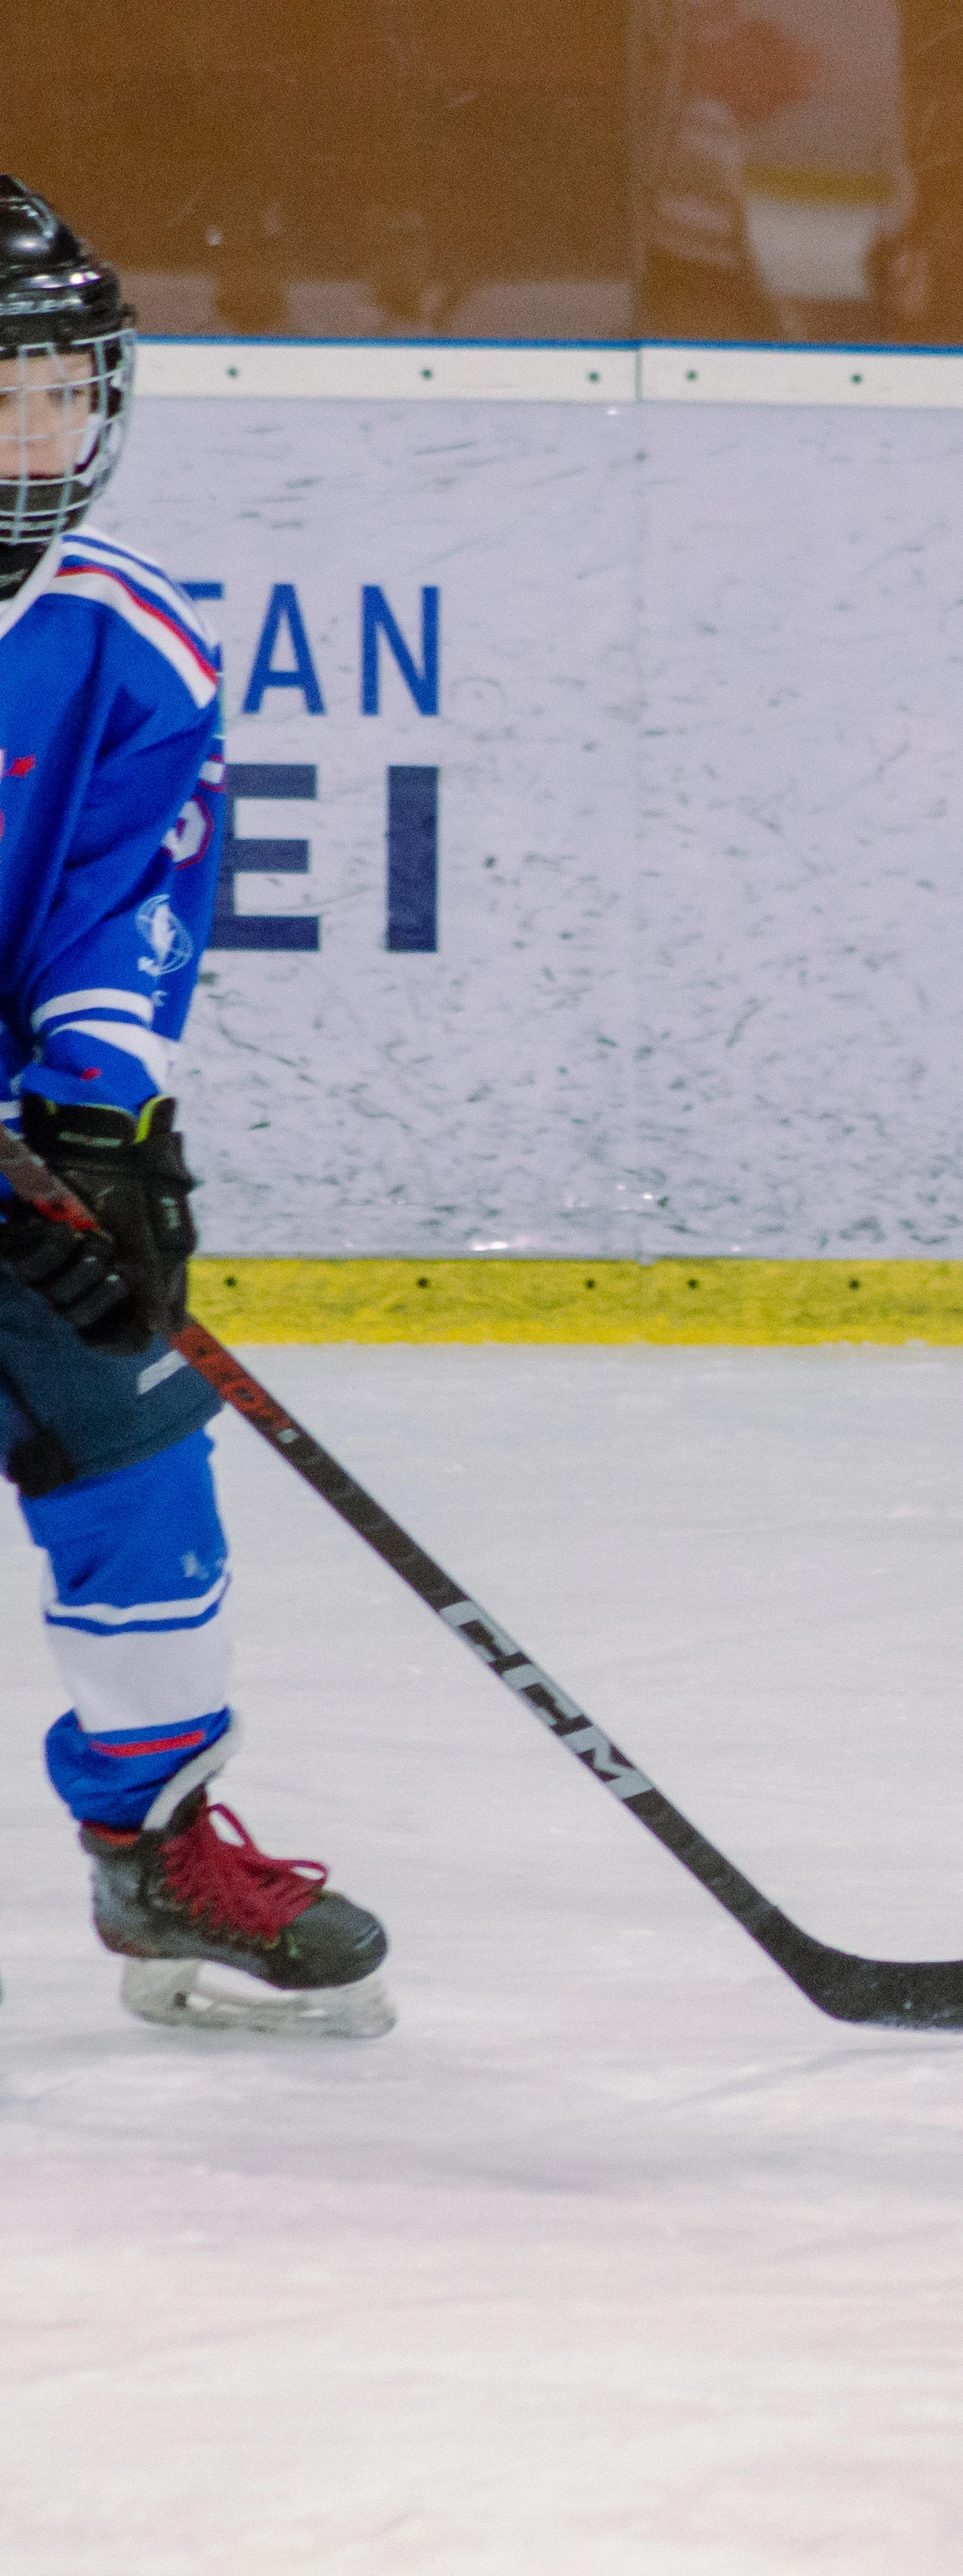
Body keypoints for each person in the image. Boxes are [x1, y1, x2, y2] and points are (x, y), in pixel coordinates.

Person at [0, 179, 392, 2039]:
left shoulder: (126, 638)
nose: (36, 433)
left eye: (61, 389)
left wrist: (100, 1129)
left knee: (144, 1465)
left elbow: (126, 897)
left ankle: (154, 1851)